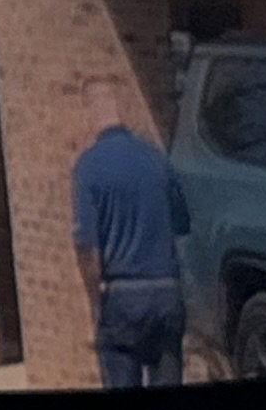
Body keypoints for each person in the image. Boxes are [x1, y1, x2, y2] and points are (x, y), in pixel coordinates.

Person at [70, 118, 190, 388]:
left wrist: (95, 305)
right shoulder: (158, 159)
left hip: (122, 295)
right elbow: (182, 227)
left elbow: (86, 248)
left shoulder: (89, 166)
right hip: (166, 293)